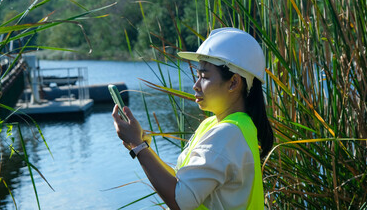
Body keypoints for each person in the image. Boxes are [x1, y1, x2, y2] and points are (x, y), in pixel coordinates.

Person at [112, 27, 274, 209]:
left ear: (234, 82)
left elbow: (180, 201)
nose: (196, 85)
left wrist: (138, 147)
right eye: (197, 76)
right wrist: (143, 146)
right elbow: (181, 182)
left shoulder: (228, 133)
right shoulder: (220, 125)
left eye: (204, 76)